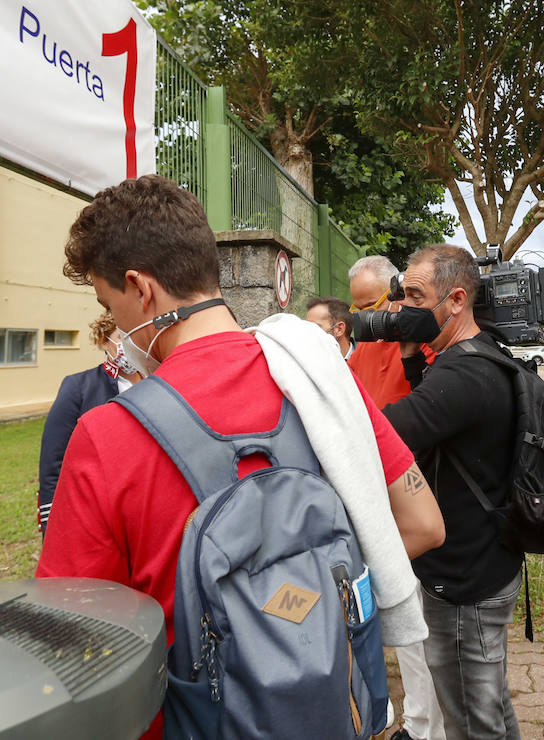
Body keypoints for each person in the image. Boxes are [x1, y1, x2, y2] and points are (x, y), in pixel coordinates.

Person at [36, 175, 444, 740]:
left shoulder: (105, 435)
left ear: (140, 288)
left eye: (111, 305)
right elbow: (424, 523)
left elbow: (74, 650)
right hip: (336, 710)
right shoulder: (318, 379)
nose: (119, 330)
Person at [381, 244, 523, 740]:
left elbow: (383, 434)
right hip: (490, 559)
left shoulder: (464, 373)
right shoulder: (479, 355)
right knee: (489, 703)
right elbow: (445, 427)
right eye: (401, 295)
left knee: (470, 719)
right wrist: (409, 357)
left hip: (463, 580)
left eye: (415, 296)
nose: (403, 308)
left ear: (456, 298)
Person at [345, 257, 448, 740]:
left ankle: (430, 725)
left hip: (419, 491)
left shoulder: (425, 341)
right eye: (358, 306)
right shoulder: (365, 342)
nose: (369, 315)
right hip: (376, 491)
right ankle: (417, 720)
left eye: (376, 304)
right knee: (403, 616)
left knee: (425, 623)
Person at [36, 311, 144, 535]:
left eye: (134, 336)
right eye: (122, 337)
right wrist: (52, 524)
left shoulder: (159, 381)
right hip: (99, 510)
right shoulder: (79, 387)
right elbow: (54, 459)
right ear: (103, 341)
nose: (130, 345)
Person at [348, 255, 422, 409]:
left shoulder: (420, 341)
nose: (364, 317)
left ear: (397, 294)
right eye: (359, 309)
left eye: (371, 307)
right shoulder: (365, 346)